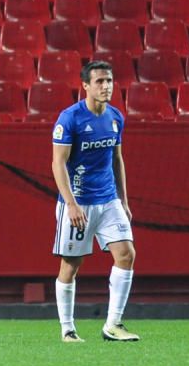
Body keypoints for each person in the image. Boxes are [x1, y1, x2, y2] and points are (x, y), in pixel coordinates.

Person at [51, 60, 139, 343]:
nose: (106, 86)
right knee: (71, 265)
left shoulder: (115, 117)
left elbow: (117, 159)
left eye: (109, 81)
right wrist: (71, 204)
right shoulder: (70, 119)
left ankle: (113, 324)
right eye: (99, 81)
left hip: (109, 199)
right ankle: (68, 329)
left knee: (127, 255)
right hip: (78, 202)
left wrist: (123, 200)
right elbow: (58, 163)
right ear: (85, 86)